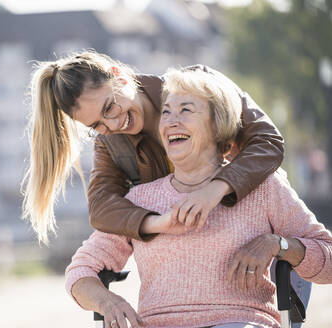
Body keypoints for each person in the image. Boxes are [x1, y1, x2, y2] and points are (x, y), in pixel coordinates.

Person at [64, 68, 332, 328]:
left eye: (186, 111)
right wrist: (106, 301)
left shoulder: (264, 189)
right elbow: (80, 272)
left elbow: (328, 260)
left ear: (219, 125)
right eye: (166, 113)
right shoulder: (139, 200)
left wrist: (277, 245)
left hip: (239, 321)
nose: (169, 121)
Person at [22, 51, 283, 244]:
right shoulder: (110, 145)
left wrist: (216, 189)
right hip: (201, 253)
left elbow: (268, 141)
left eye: (109, 107)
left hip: (267, 233)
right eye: (97, 125)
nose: (113, 124)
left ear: (118, 76)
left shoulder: (198, 84)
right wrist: (158, 222)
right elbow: (101, 208)